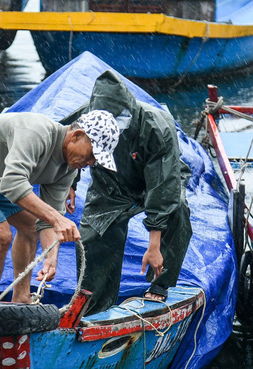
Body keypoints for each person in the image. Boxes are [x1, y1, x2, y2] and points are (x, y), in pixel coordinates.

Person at [0, 110, 120, 305]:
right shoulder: (37, 133)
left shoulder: (68, 169)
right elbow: (12, 183)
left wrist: (50, 257)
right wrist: (57, 219)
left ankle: (21, 297)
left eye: (95, 161)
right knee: (0, 237)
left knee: (30, 226)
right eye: (91, 155)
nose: (90, 163)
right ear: (76, 136)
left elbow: (46, 222)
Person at [62, 71, 193, 315]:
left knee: (177, 211)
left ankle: (161, 281)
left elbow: (163, 187)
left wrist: (153, 244)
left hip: (153, 180)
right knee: (93, 237)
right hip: (110, 184)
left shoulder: (156, 126)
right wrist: (71, 181)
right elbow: (65, 143)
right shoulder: (85, 116)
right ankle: (95, 303)